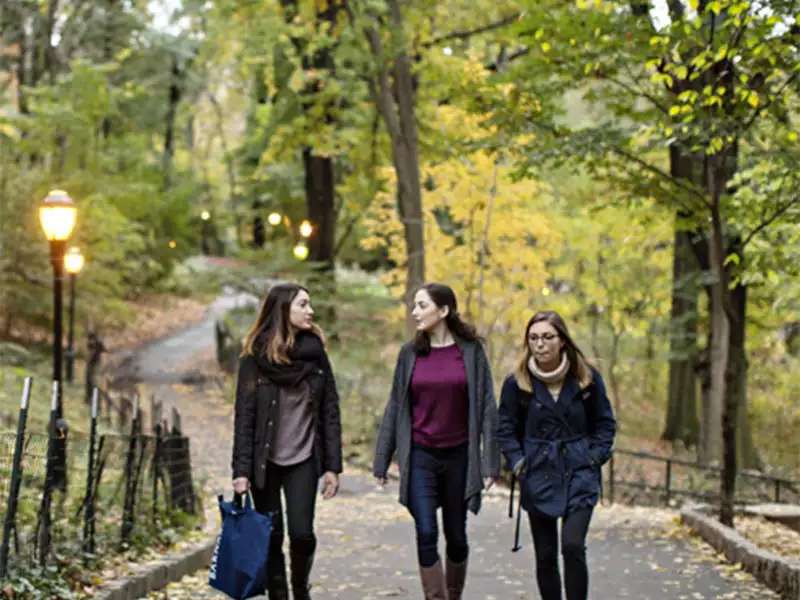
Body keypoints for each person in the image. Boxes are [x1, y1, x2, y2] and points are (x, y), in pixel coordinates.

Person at [373, 283, 500, 600]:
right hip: (420, 457)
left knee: (456, 536)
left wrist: (489, 463)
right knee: (426, 531)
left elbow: (487, 408)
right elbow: (396, 406)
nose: (414, 312)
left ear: (443, 310)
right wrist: (382, 457)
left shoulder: (471, 352)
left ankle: (453, 594)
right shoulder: (410, 354)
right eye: (414, 305)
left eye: (421, 305)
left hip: (459, 457)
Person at [231, 283, 342, 600]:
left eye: (310, 304)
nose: (311, 311)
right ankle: (278, 595)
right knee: (271, 535)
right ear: (283, 310)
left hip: (304, 458)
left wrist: (333, 466)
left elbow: (330, 411)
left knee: (302, 534)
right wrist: (241, 470)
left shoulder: (317, 354)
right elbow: (245, 416)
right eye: (303, 304)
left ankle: (300, 589)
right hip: (264, 460)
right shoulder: (254, 358)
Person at [497, 310, 616, 600]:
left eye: (548, 337)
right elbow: (504, 428)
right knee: (546, 555)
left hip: (579, 470)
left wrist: (593, 457)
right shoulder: (517, 383)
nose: (540, 344)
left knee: (573, 546)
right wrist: (518, 461)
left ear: (562, 340)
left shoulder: (587, 379)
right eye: (534, 338)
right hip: (538, 471)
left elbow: (605, 424)